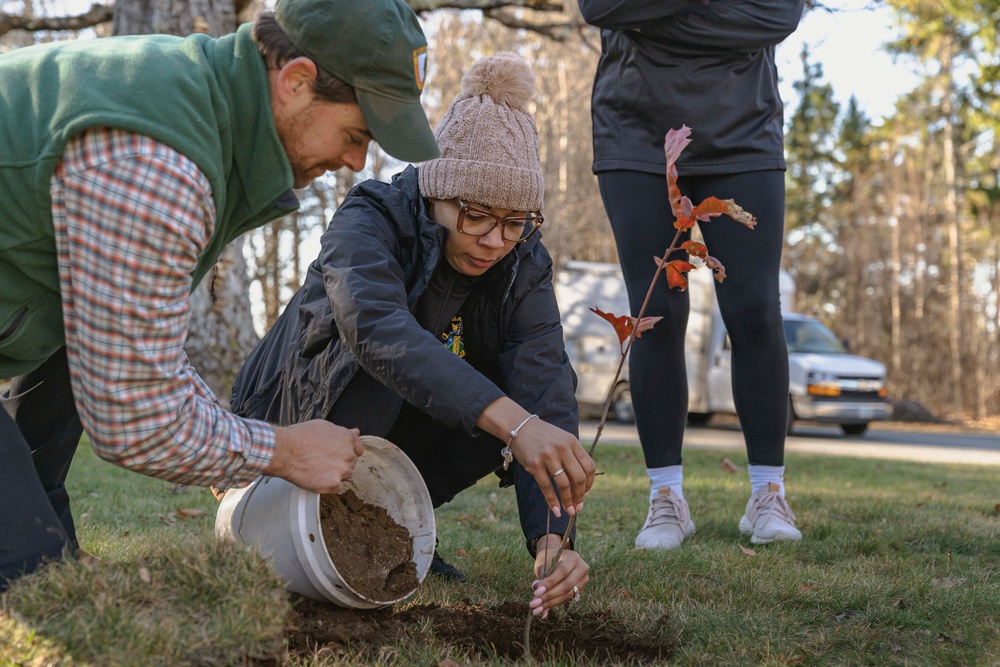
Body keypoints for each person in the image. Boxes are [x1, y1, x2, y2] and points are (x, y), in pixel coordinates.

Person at [0, 0, 440, 589]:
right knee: (23, 581)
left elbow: (135, 336)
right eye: (356, 133)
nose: (355, 162)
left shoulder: (204, 103)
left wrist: (218, 431)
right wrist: (281, 451)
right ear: (296, 81)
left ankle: (44, 548)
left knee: (41, 555)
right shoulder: (160, 166)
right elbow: (132, 417)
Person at [231, 53, 596, 617]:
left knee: (511, 401)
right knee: (393, 373)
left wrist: (555, 540)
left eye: (515, 221)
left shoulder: (523, 259)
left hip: (391, 434)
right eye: (476, 214)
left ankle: (385, 525)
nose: (495, 240)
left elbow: (542, 380)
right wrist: (514, 422)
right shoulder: (371, 216)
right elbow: (376, 329)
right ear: (436, 193)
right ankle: (316, 522)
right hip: (293, 412)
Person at [578, 0, 806, 548]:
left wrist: (653, 21)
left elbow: (778, 16)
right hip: (635, 132)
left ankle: (767, 492)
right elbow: (600, 7)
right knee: (655, 311)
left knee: (753, 308)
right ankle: (666, 498)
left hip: (743, 132)